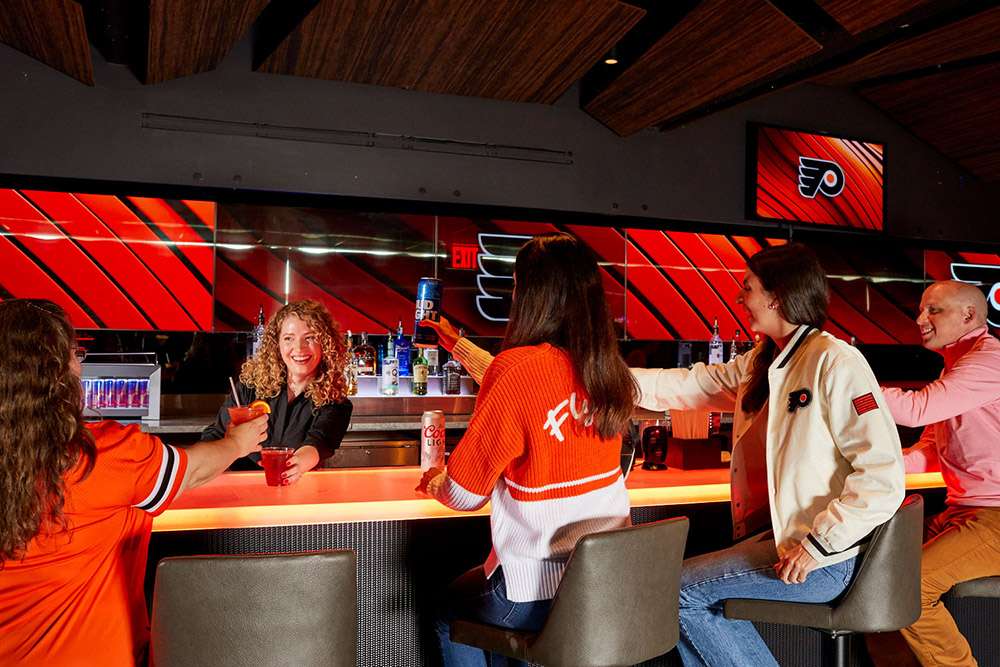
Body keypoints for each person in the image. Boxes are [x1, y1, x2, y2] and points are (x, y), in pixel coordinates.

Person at [435, 242, 906, 666]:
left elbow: (883, 476)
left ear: (777, 296)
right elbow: (684, 385)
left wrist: (816, 544)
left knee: (671, 594)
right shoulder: (764, 361)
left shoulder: (835, 361)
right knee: (671, 595)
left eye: (748, 289)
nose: (740, 298)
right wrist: (587, 372)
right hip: (781, 543)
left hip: (824, 555)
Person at [0, 299, 268, 666]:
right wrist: (238, 443)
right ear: (55, 371)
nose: (80, 364)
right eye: (74, 353)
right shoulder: (101, 453)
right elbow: (191, 471)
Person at [416, 233, 637, 667]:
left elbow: (464, 495)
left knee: (447, 609)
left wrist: (437, 483)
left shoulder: (518, 371)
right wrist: (454, 343)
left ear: (529, 294)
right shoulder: (606, 371)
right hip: (605, 588)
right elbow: (527, 384)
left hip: (532, 592)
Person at [868, 280, 1000, 667]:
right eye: (920, 310)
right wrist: (864, 468)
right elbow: (931, 452)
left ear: (969, 316)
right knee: (871, 577)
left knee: (905, 586)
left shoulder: (989, 360)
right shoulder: (956, 368)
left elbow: (916, 411)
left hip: (994, 518)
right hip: (965, 513)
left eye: (933, 310)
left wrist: (845, 388)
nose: (920, 319)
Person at [202, 299, 353, 483]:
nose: (299, 348)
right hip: (237, 488)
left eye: (310, 337)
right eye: (288, 338)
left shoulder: (335, 402)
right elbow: (216, 434)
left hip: (294, 490)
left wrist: (297, 464)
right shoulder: (252, 386)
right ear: (277, 344)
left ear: (325, 344)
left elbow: (318, 443)